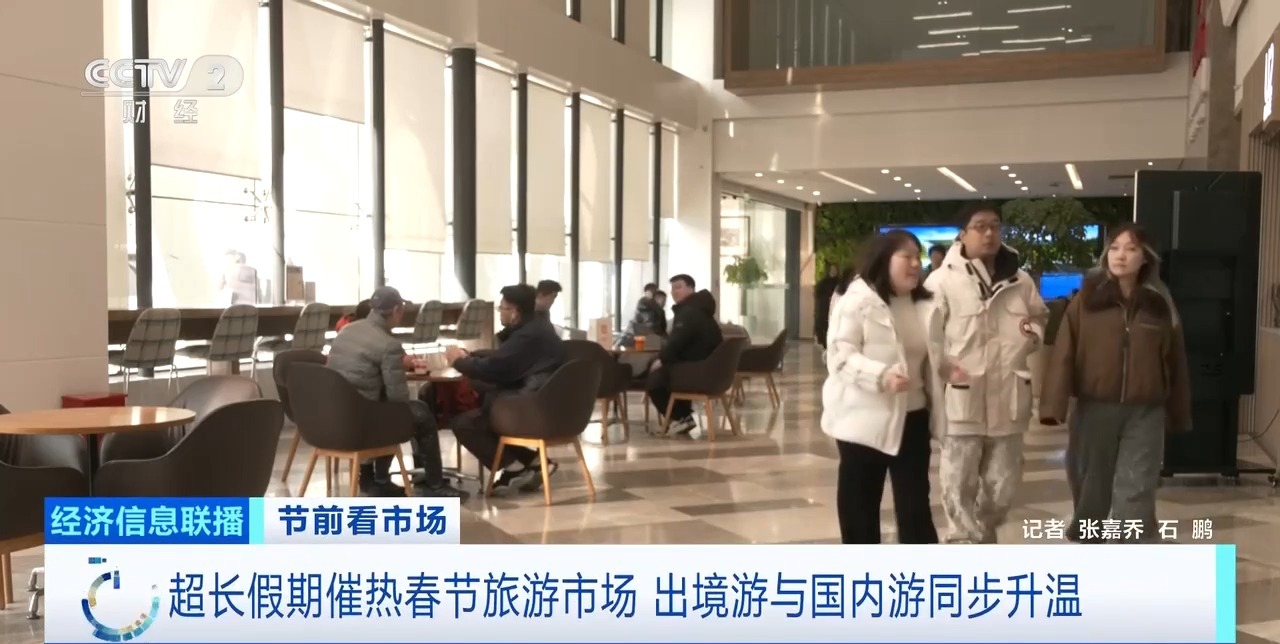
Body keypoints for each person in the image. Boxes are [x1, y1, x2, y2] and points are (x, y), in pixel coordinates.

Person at [1040, 224, 1191, 543]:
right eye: (1115, 247)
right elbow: (1064, 351)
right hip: (1095, 407)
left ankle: (1129, 550)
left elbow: (1175, 361)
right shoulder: (1086, 300)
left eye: (1131, 248)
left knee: (1137, 484)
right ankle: (1089, 537)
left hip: (1146, 411)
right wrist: (1053, 406)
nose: (1121, 255)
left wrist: (1178, 413)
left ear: (1146, 257)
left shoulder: (1159, 304)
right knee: (1090, 484)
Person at [924, 203, 1048, 544]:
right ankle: (964, 541)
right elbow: (929, 338)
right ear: (962, 234)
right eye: (980, 226)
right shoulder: (941, 281)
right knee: (957, 484)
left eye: (995, 225)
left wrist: (1031, 336)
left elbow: (1039, 316)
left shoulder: (1020, 280)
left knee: (1004, 485)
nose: (990, 233)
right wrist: (942, 372)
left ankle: (984, 530)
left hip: (1009, 398)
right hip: (963, 399)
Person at [823, 230, 940, 545]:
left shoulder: (925, 304)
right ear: (883, 259)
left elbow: (928, 354)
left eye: (918, 257)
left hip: (913, 418)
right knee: (860, 508)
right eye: (906, 256)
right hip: (863, 421)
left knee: (915, 508)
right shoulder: (856, 301)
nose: (915, 264)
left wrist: (947, 365)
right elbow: (840, 357)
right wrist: (880, 376)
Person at [326, 286, 466, 499]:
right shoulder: (388, 344)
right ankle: (434, 485)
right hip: (364, 420)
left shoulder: (346, 331)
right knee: (420, 413)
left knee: (396, 411)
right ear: (396, 310)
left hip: (337, 416)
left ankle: (371, 479)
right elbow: (398, 399)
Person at [445, 283, 568, 491]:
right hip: (546, 402)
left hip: (531, 407)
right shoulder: (537, 328)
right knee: (481, 402)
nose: (500, 312)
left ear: (515, 312)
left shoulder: (526, 336)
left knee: (465, 423)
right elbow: (505, 358)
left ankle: (513, 469)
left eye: (502, 308)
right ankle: (534, 462)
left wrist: (458, 362)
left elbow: (495, 368)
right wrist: (472, 356)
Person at [646, 274, 723, 433]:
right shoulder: (701, 309)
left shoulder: (689, 313)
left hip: (699, 372)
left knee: (654, 380)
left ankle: (681, 418)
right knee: (666, 369)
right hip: (711, 370)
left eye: (679, 287)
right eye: (673, 288)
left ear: (691, 288)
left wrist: (661, 360)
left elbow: (677, 342)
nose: (675, 292)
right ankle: (684, 417)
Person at [615, 283, 668, 349]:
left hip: (637, 338)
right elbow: (660, 328)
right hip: (648, 339)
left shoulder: (644, 306)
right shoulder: (655, 310)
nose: (663, 302)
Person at [815, 265, 841, 345]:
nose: (833, 272)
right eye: (832, 270)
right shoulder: (823, 283)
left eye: (835, 270)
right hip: (824, 308)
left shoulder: (839, 283)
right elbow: (818, 294)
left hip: (836, 308)